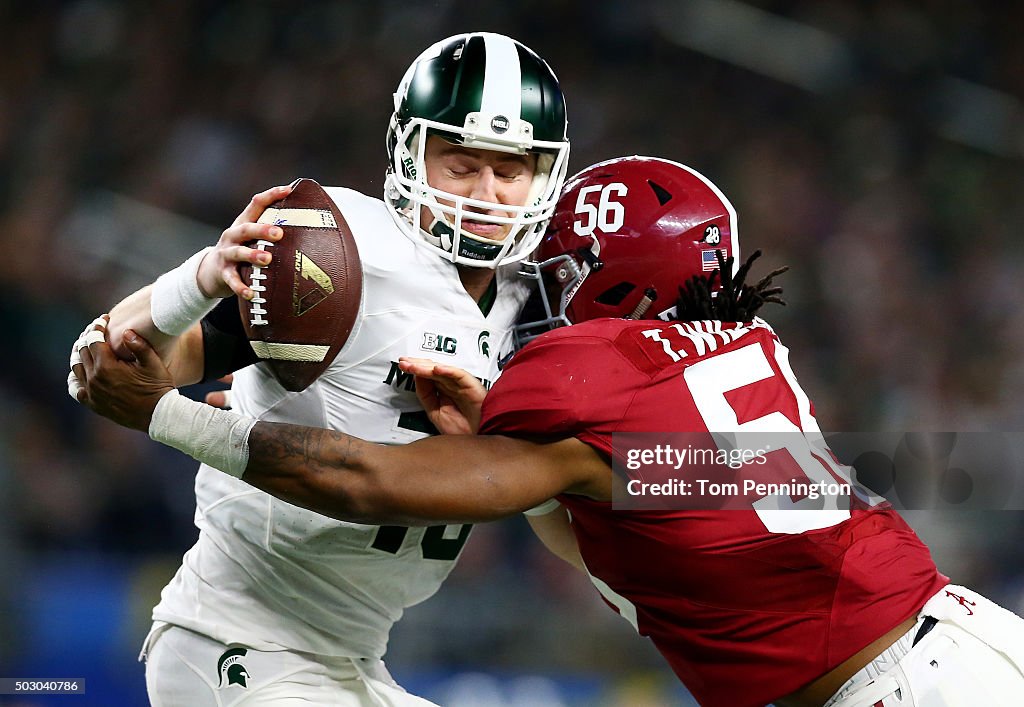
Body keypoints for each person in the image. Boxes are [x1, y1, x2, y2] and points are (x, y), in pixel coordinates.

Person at [72, 156, 1024, 707]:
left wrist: (165, 414)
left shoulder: (594, 373)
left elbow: (365, 481)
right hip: (964, 644)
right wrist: (513, 441)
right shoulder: (745, 357)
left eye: (568, 272)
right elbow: (646, 516)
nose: (548, 296)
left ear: (615, 280)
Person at [69, 32, 571, 706]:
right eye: (460, 162)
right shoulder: (346, 252)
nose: (486, 192)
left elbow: (570, 504)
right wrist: (203, 277)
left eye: (508, 170)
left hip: (356, 658)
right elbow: (105, 359)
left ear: (545, 174)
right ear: (410, 154)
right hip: (238, 640)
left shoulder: (539, 306)